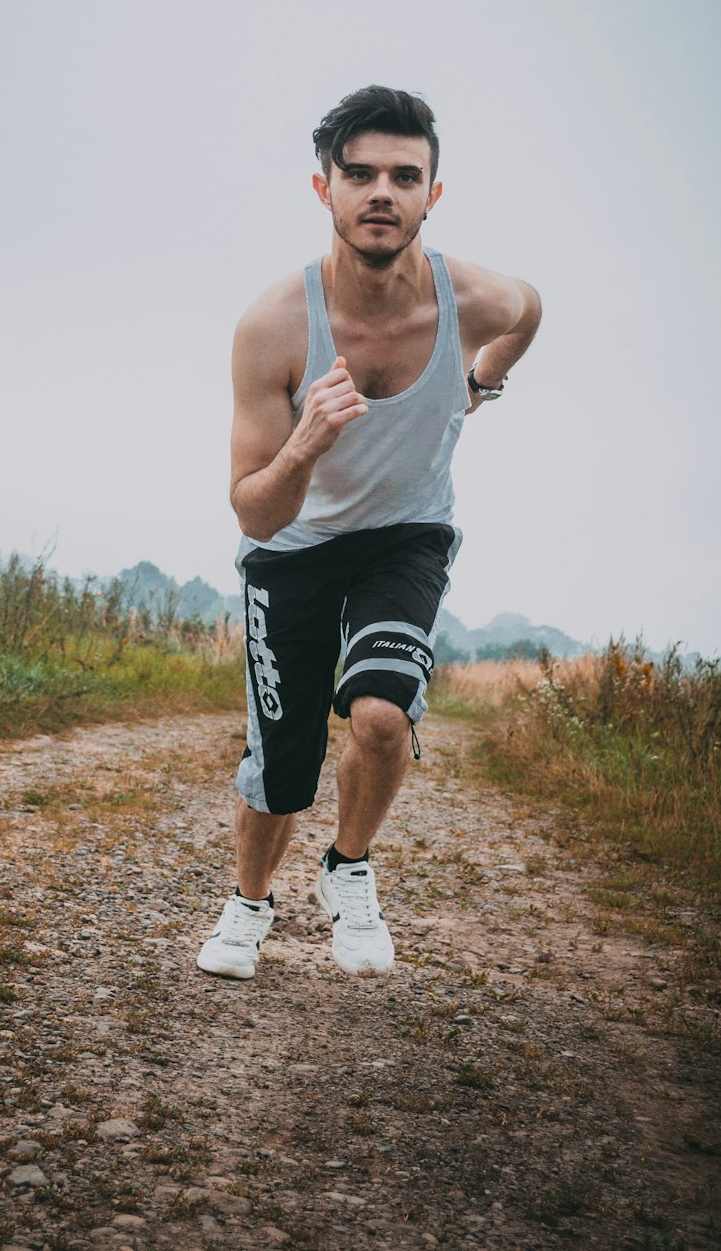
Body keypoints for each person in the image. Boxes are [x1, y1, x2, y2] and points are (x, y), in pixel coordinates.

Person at [197, 85, 542, 980]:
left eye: (404, 174)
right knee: (282, 771)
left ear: (434, 193)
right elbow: (254, 511)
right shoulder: (274, 327)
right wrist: (308, 441)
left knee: (383, 714)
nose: (381, 191)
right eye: (360, 174)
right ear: (325, 191)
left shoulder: (469, 298)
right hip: (293, 552)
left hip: (405, 538)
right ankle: (249, 905)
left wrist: (485, 381)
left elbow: (531, 308)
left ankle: (348, 869)